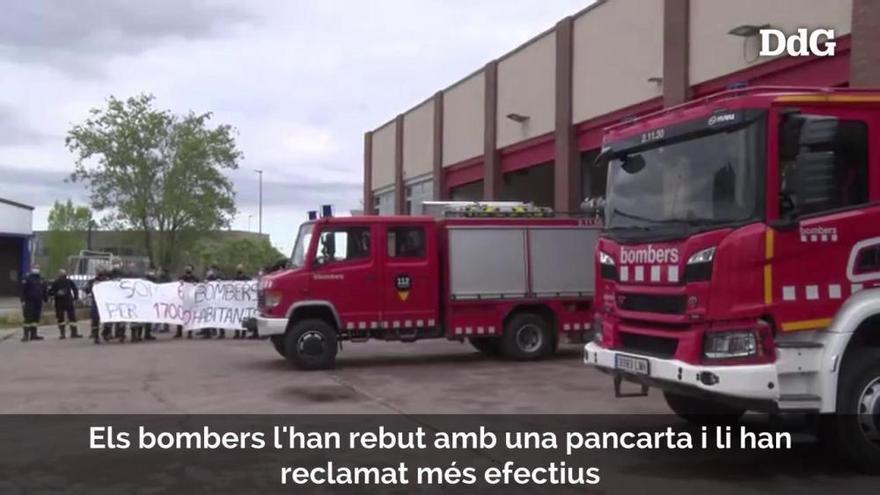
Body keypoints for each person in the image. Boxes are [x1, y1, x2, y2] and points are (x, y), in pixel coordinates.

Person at [48, 269, 82, 339]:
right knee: (60, 318)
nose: (62, 275)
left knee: (72, 317)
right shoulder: (56, 283)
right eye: (61, 274)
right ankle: (62, 334)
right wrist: (57, 293)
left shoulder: (69, 281)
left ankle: (74, 333)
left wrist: (75, 298)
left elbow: (75, 289)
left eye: (63, 274)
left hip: (68, 301)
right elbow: (50, 292)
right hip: (59, 302)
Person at [20, 266, 48, 342]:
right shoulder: (27, 278)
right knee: (28, 317)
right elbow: (23, 290)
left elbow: (45, 290)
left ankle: (34, 335)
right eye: (35, 268)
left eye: (37, 268)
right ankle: (25, 335)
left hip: (38, 301)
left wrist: (46, 299)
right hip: (29, 301)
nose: (36, 269)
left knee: (36, 318)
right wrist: (22, 300)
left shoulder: (42, 279)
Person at [85, 269, 111, 344]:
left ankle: (103, 334)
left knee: (103, 320)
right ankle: (98, 335)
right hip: (98, 303)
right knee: (97, 320)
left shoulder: (108, 282)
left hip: (103, 303)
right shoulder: (93, 282)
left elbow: (86, 290)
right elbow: (87, 290)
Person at [176, 265, 199, 339]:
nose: (187, 269)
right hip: (182, 300)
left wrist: (196, 284)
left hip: (191, 300)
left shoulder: (195, 278)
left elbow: (199, 286)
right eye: (186, 268)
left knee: (190, 316)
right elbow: (176, 286)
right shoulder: (181, 278)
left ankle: (190, 333)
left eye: (189, 268)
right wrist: (180, 282)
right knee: (180, 316)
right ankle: (179, 332)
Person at [232, 264, 250, 339]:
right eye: (238, 268)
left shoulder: (247, 278)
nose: (240, 270)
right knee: (236, 317)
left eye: (241, 268)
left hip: (244, 301)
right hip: (236, 301)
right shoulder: (235, 278)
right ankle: (237, 333)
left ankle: (243, 333)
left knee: (244, 317)